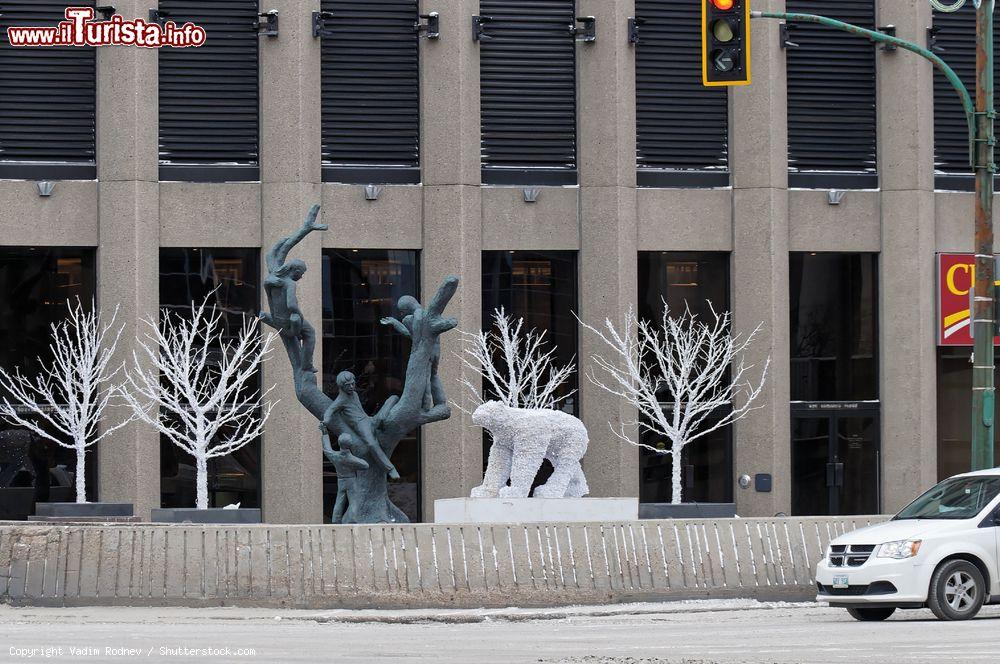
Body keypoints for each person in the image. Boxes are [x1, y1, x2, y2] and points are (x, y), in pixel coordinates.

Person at [261, 204, 326, 373]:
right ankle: (307, 365)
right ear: (295, 271)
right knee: (310, 333)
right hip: (288, 322)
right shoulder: (289, 283)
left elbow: (273, 253)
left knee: (298, 335)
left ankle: (302, 365)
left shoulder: (274, 273)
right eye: (301, 273)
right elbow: (291, 305)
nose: (302, 276)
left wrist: (303, 230)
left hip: (277, 319)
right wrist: (301, 315)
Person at [323, 371, 400, 480]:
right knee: (372, 443)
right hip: (362, 427)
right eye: (347, 385)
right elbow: (330, 410)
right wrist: (326, 420)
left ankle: (393, 399)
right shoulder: (341, 399)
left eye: (352, 384)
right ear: (341, 387)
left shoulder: (354, 394)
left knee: (382, 417)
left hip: (369, 420)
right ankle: (390, 469)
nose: (351, 387)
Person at [380, 295, 446, 408]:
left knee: (425, 378)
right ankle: (440, 402)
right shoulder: (428, 314)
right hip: (436, 352)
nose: (401, 315)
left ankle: (425, 406)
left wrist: (396, 324)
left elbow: (413, 337)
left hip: (427, 353)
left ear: (406, 308)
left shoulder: (418, 316)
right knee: (433, 376)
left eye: (402, 312)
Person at [320, 425, 368, 524]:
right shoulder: (351, 459)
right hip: (351, 481)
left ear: (339, 443)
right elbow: (365, 465)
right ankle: (353, 519)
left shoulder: (334, 456)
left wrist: (325, 434)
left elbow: (327, 449)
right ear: (350, 445)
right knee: (354, 501)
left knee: (339, 501)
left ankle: (335, 520)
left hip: (341, 480)